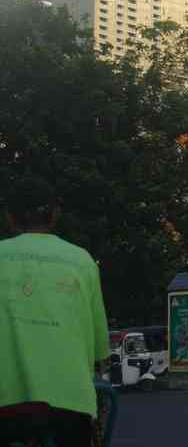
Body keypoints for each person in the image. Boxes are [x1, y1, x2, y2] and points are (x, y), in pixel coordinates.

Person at [0, 175, 110, 446]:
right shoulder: (82, 261)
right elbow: (100, 351)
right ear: (55, 215)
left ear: (9, 217)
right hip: (71, 409)